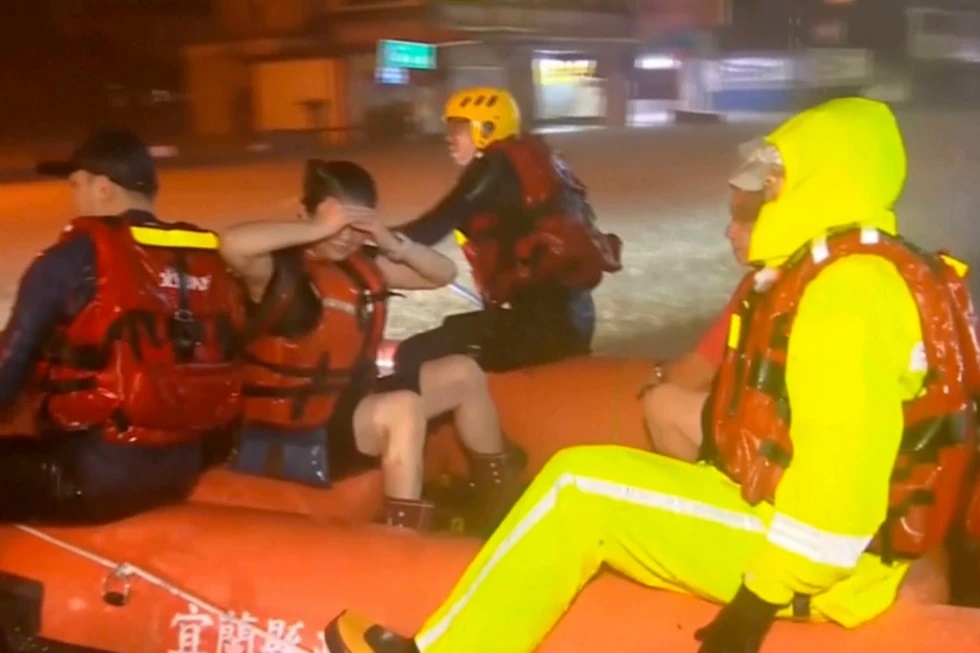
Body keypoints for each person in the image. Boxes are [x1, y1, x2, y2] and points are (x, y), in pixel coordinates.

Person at [322, 97, 980, 653]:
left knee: (580, 486)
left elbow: (839, 493)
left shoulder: (848, 294)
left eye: (779, 177)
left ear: (826, 182)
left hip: (832, 565)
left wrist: (757, 602)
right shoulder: (845, 273)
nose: (762, 191)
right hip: (814, 536)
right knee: (589, 473)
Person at [218, 159, 524, 532]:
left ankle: (500, 501)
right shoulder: (273, 272)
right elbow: (232, 244)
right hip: (298, 433)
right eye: (335, 223)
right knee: (404, 407)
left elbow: (442, 273)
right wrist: (316, 229)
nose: (345, 236)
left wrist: (388, 239)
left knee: (462, 371)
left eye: (355, 226)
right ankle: (403, 535)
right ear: (306, 214)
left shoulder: (360, 267)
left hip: (351, 409)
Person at [0, 128, 244, 523]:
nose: (73, 199)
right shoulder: (203, 259)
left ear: (102, 188)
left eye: (76, 186)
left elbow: (7, 372)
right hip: (182, 470)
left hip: (94, 477)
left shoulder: (72, 258)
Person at [390, 86, 623, 376]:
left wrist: (373, 240)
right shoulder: (535, 159)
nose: (450, 138)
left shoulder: (494, 166)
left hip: (541, 331)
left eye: (459, 128)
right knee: (459, 331)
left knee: (412, 355)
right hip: (571, 319)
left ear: (487, 128)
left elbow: (434, 225)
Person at [639, 153, 765, 461]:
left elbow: (695, 373)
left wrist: (657, 375)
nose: (730, 231)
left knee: (661, 405)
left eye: (744, 220)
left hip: (775, 448)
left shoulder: (761, 288)